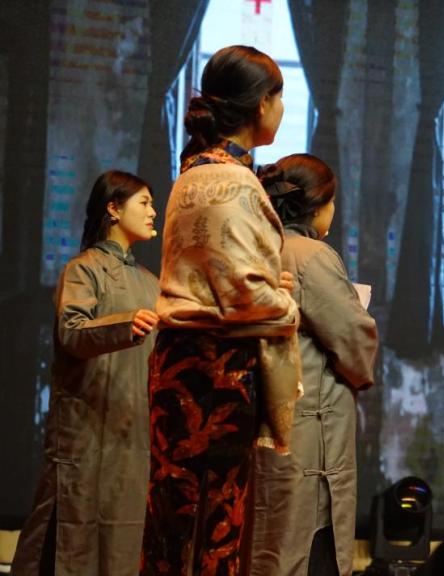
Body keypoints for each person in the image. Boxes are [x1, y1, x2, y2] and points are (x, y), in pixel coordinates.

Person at [140, 45, 300, 575]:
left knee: (171, 523)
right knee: (214, 524)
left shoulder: (193, 171)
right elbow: (246, 296)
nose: (282, 109)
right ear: (260, 104)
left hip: (179, 365)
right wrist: (285, 301)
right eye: (279, 97)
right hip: (216, 375)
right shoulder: (232, 180)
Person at [12, 171, 159, 575]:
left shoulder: (151, 283)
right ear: (113, 208)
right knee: (71, 539)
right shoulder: (83, 270)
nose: (153, 211)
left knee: (123, 542)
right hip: (86, 432)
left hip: (132, 434)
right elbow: (72, 332)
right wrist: (126, 324)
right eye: (144, 202)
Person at [252, 154, 379, 576]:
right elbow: (354, 337)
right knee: (309, 544)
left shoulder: (256, 249)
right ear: (318, 204)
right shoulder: (311, 255)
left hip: (265, 421)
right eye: (333, 201)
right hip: (309, 429)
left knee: (267, 542)